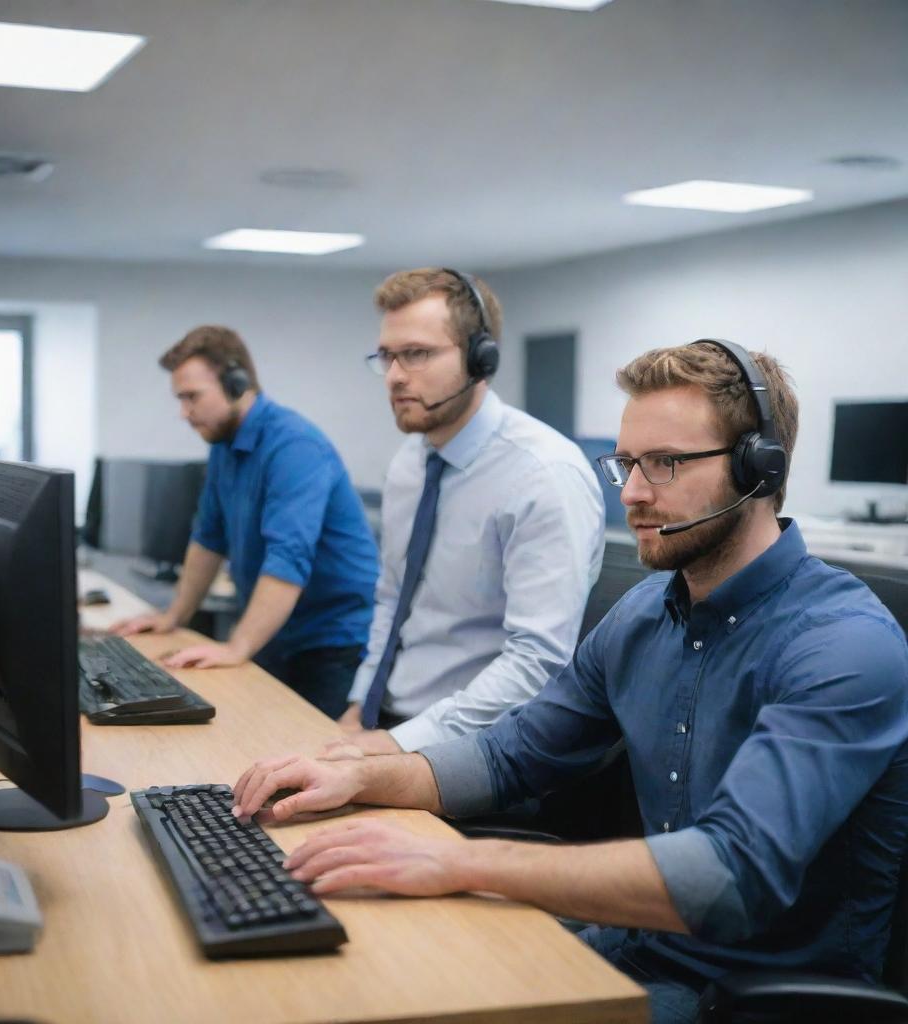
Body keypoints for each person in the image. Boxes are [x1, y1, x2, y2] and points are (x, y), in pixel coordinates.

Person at [231, 339, 908, 1024]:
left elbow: (729, 876)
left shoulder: (843, 646)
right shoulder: (646, 613)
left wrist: (463, 864)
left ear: (757, 470)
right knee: (371, 967)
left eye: (665, 464)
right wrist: (364, 774)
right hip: (639, 946)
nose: (634, 494)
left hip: (749, 996)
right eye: (627, 464)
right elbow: (511, 754)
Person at [336, 267, 604, 755]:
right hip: (390, 725)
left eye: (416, 354)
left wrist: (403, 747)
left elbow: (538, 660)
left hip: (484, 750)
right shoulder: (409, 465)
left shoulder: (542, 474)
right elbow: (392, 600)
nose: (395, 376)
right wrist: (359, 709)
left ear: (482, 359)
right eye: (387, 356)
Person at [110, 325, 379, 719]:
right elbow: (208, 538)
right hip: (275, 630)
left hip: (331, 642)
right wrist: (173, 616)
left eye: (192, 397)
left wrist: (237, 646)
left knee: (309, 760)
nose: (184, 412)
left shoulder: (294, 447)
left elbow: (288, 557)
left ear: (237, 383)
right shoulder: (225, 445)